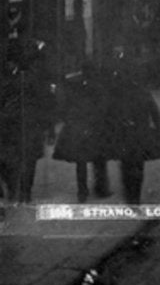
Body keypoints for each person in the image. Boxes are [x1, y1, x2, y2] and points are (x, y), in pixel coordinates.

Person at [104, 50, 160, 205]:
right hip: (140, 135)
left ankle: (129, 196)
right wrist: (157, 135)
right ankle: (135, 197)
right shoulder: (142, 93)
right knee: (138, 167)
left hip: (124, 135)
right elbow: (156, 115)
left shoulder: (117, 94)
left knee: (126, 166)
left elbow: (110, 115)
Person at [0, 39, 57, 204]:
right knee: (24, 161)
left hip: (23, 126)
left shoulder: (19, 80)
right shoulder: (30, 79)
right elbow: (45, 103)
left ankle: (21, 192)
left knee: (23, 160)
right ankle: (22, 192)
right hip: (24, 126)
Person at [53, 62, 112, 203]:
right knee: (99, 159)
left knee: (81, 161)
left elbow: (65, 105)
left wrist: (69, 120)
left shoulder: (73, 85)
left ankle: (82, 192)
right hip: (94, 127)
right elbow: (103, 107)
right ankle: (101, 188)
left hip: (77, 127)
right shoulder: (98, 87)